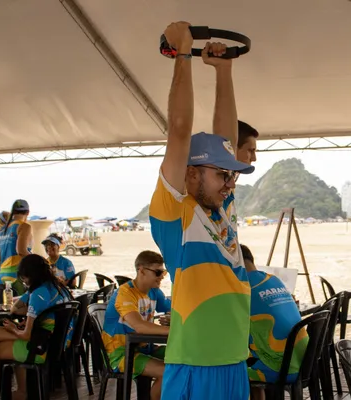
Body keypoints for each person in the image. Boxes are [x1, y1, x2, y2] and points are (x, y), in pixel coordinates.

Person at [148, 21, 255, 399]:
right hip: (194, 362)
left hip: (233, 359)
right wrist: (182, 54)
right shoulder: (175, 213)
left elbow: (226, 138)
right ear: (191, 173)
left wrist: (224, 71)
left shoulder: (220, 206)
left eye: (231, 176)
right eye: (222, 175)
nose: (231, 183)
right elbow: (179, 131)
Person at [0, 254, 73, 399]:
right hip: (57, 344)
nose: (24, 282)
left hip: (41, 346)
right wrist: (31, 316)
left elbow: (25, 333)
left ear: (32, 276)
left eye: (24, 278)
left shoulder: (38, 294)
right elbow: (16, 309)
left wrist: (13, 328)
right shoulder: (56, 286)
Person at [101, 250, 171, 400]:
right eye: (158, 273)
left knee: (183, 358)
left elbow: (173, 308)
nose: (162, 278)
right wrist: (173, 330)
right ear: (142, 271)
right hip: (120, 353)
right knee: (167, 372)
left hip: (144, 347)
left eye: (163, 273)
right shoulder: (125, 293)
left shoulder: (153, 291)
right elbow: (140, 326)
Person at [242, 244, 308, 400]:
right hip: (303, 361)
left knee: (229, 370)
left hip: (279, 368)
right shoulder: (274, 280)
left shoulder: (242, 287)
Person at [0, 199, 32, 295]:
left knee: (7, 308)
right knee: (21, 308)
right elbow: (21, 251)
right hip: (16, 277)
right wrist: (37, 259)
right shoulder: (24, 226)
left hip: (2, 276)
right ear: (28, 212)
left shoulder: (2, 230)